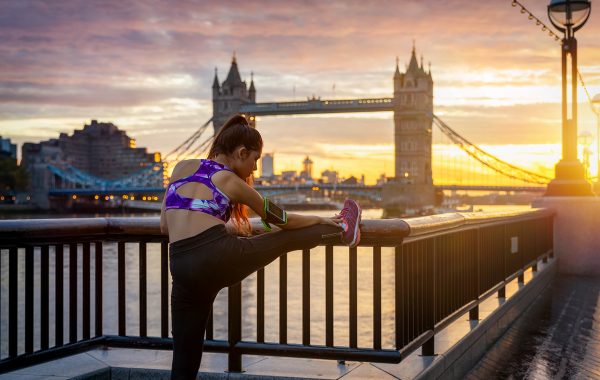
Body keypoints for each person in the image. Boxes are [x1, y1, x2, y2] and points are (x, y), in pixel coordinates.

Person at [160, 114, 362, 379]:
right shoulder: (230, 181)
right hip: (215, 258)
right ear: (241, 153)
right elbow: (283, 221)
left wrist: (221, 226)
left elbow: (165, 226)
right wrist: (321, 218)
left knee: (185, 357)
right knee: (284, 239)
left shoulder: (180, 168)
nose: (254, 169)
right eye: (255, 160)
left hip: (181, 267)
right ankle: (343, 228)